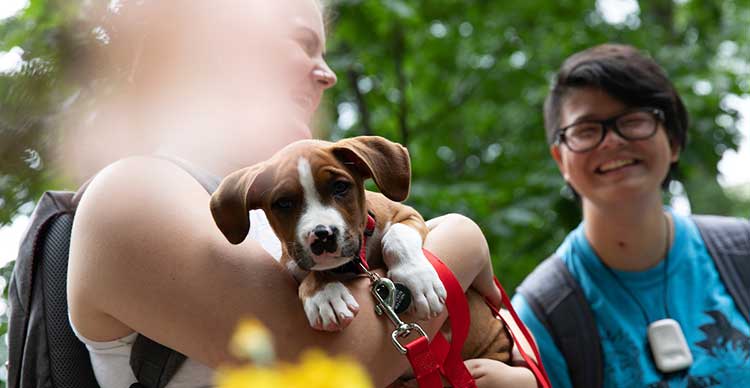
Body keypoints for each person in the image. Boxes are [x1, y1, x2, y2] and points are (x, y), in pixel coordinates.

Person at [65, 1, 538, 387]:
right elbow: (341, 370)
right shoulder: (132, 195)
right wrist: (462, 239)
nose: (327, 74)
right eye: (304, 43)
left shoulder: (286, 219)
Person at [511, 43, 750, 387]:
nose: (611, 142)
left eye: (633, 121)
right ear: (560, 160)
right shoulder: (541, 315)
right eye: (587, 130)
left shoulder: (741, 251)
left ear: (674, 139)